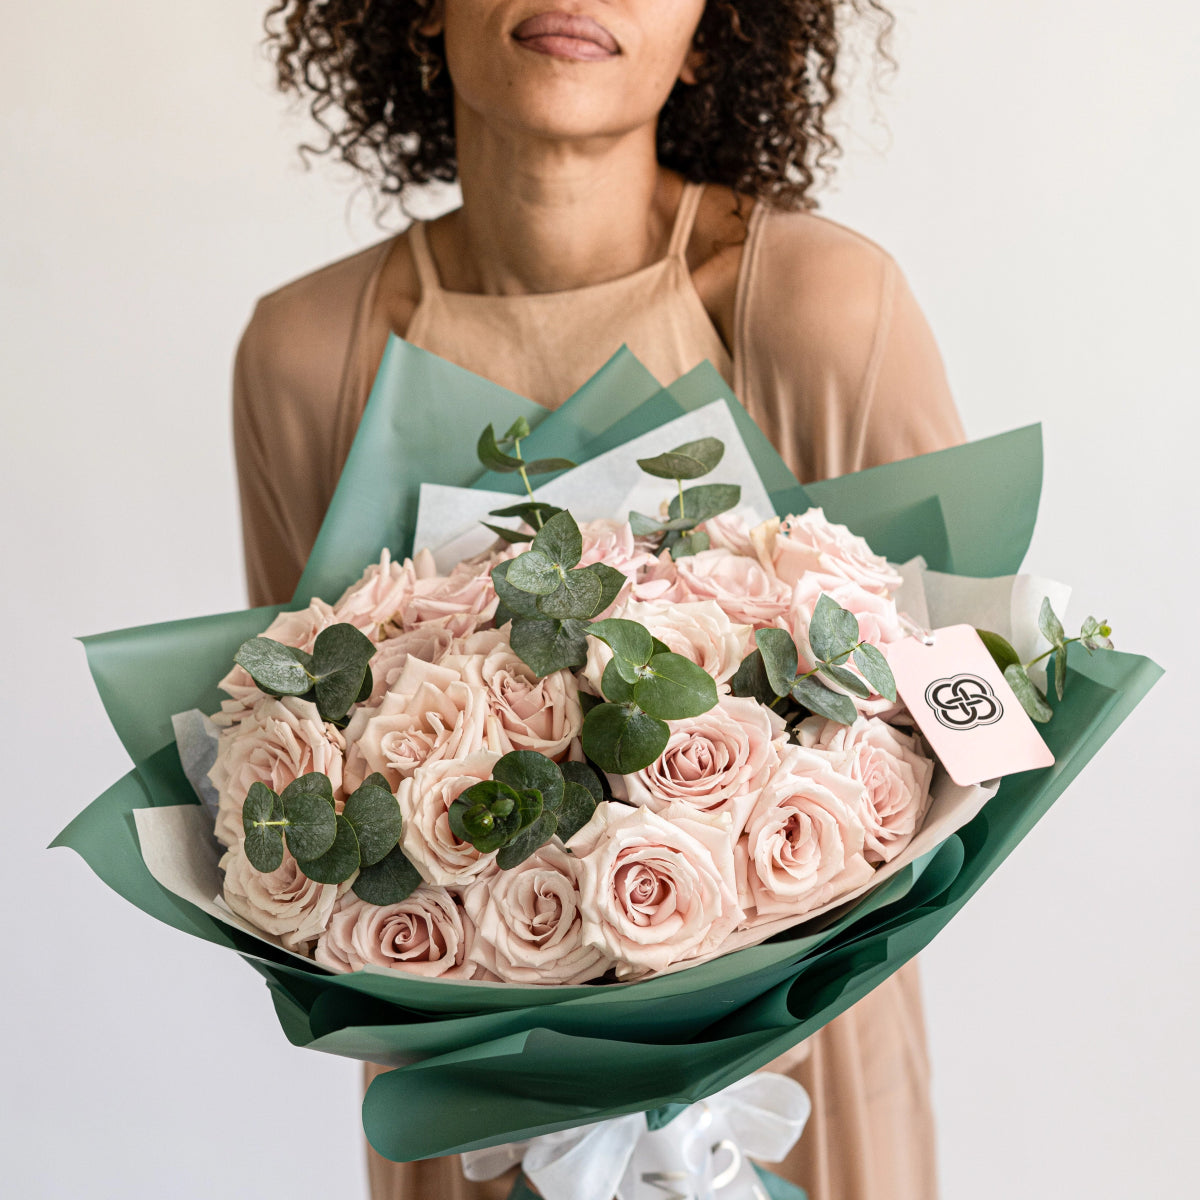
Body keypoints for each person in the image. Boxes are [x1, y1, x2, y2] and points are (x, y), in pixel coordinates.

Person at [234, 2, 966, 1197]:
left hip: (796, 1094)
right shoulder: (308, 357)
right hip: (477, 1119)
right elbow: (284, 779)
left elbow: (975, 714)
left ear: (716, 24)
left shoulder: (824, 310)